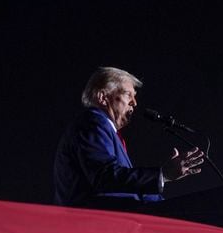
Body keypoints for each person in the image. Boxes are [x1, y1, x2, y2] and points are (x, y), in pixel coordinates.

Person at [54, 67, 204, 209]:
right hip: (93, 227)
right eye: (128, 95)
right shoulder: (93, 123)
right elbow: (105, 177)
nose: (135, 103)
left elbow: (129, 189)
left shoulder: (106, 130)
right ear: (103, 98)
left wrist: (177, 208)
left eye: (135, 96)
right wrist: (163, 174)